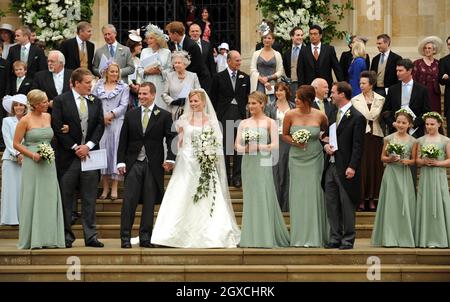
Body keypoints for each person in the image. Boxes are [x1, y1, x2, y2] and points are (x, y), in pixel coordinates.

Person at [151, 89, 240, 248]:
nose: (193, 104)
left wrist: (209, 154)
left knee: (206, 196)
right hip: (186, 161)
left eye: (196, 101)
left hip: (205, 163)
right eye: (191, 101)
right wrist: (172, 158)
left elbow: (217, 143)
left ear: (203, 102)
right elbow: (177, 142)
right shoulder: (183, 120)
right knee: (181, 193)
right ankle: (170, 235)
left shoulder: (212, 121)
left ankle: (212, 234)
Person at [51, 68, 105, 248]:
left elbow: (99, 125)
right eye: (88, 83)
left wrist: (88, 146)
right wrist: (75, 147)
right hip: (68, 158)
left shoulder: (95, 101)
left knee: (90, 198)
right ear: (76, 83)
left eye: (91, 82)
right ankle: (66, 236)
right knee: (66, 198)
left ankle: (91, 236)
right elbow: (57, 127)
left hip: (90, 157)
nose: (91, 85)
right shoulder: (61, 101)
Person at [117, 82, 175, 249]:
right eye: (140, 94)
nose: (141, 97)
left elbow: (171, 138)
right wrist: (120, 161)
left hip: (153, 164)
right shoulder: (131, 115)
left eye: (144, 94)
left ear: (153, 95)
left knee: (149, 203)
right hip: (133, 163)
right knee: (129, 201)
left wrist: (171, 158)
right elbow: (123, 140)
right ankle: (125, 238)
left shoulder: (163, 115)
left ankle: (145, 237)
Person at [236, 91, 289, 248]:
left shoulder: (270, 122)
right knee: (251, 197)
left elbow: (275, 145)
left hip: (263, 161)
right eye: (249, 103)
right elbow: (236, 146)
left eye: (254, 103)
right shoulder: (243, 123)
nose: (251, 106)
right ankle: (250, 236)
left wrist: (258, 146)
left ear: (262, 104)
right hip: (248, 163)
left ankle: (265, 236)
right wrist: (246, 148)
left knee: (263, 195)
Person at [13, 89, 65, 249]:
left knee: (49, 198)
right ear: (35, 105)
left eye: (46, 101)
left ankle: (49, 238)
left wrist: (66, 129)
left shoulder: (48, 116)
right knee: (33, 197)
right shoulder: (25, 120)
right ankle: (33, 239)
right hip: (32, 163)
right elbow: (16, 143)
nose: (46, 104)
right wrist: (31, 155)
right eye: (43, 102)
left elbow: (54, 134)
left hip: (48, 163)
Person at [283, 85, 329, 247]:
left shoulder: (320, 115)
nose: (295, 100)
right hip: (296, 158)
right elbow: (285, 135)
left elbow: (325, 133)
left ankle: (316, 235)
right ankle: (299, 236)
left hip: (315, 158)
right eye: (295, 97)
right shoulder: (289, 115)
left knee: (314, 193)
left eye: (299, 98)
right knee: (298, 194)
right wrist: (295, 142)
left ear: (308, 100)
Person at [323, 82, 366, 249]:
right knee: (331, 203)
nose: (330, 95)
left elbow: (358, 145)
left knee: (347, 204)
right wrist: (325, 146)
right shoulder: (333, 113)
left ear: (342, 94)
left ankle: (348, 239)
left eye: (333, 92)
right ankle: (335, 237)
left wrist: (352, 167)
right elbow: (326, 136)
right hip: (331, 166)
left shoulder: (357, 117)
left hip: (346, 167)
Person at [371, 109, 417, 247]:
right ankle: (388, 237)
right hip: (391, 173)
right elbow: (382, 158)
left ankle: (405, 236)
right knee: (390, 203)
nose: (401, 125)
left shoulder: (413, 141)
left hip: (403, 173)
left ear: (409, 125)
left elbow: (414, 160)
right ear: (395, 123)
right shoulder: (388, 138)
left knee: (404, 202)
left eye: (404, 123)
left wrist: (407, 162)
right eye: (398, 122)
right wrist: (390, 159)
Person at [210, 50, 250, 188]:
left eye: (240, 60)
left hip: (239, 115)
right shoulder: (218, 77)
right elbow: (213, 98)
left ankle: (237, 177)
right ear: (229, 61)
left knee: (239, 146)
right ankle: (226, 176)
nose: (239, 62)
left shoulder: (245, 77)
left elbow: (246, 97)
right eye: (237, 60)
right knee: (227, 146)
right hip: (224, 114)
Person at [92, 62, 129, 201]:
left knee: (115, 152)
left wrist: (111, 114)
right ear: (106, 72)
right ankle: (105, 186)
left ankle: (115, 186)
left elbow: (124, 105)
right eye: (112, 71)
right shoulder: (98, 86)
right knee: (103, 152)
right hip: (101, 124)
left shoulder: (123, 87)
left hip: (117, 122)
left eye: (116, 71)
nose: (114, 74)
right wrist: (101, 118)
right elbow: (93, 102)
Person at [415, 112, 450, 248]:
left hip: (439, 175)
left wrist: (438, 163)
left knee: (440, 201)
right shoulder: (421, 140)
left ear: (439, 124)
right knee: (426, 202)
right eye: (427, 124)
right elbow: (417, 160)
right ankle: (425, 237)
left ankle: (441, 237)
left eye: (432, 124)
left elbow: (449, 159)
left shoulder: (445, 140)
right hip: (426, 175)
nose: (429, 126)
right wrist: (424, 161)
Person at [351, 71, 385, 211]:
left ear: (371, 84)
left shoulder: (381, 99)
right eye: (360, 83)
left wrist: (370, 114)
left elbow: (374, 116)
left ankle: (372, 198)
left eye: (364, 83)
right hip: (362, 136)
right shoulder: (355, 99)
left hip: (376, 136)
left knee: (374, 167)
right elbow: (363, 117)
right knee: (362, 167)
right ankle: (361, 198)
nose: (361, 85)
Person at [382, 59, 431, 138]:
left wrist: (413, 124)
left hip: (415, 131)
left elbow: (427, 112)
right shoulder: (392, 89)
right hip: (396, 130)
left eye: (400, 71)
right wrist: (393, 123)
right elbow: (386, 111)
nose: (397, 73)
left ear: (410, 71)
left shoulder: (422, 89)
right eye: (397, 70)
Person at [265, 82, 295, 211]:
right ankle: (276, 204)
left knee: (288, 171)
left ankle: (287, 204)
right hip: (276, 141)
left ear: (286, 92)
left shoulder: (293, 106)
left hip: (289, 141)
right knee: (276, 172)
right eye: (277, 90)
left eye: (281, 90)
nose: (278, 93)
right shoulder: (270, 107)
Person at [1, 94, 27, 225]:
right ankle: (10, 218)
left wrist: (25, 154)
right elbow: (8, 140)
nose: (18, 107)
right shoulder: (7, 121)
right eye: (16, 105)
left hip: (27, 159)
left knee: (23, 188)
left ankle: (24, 217)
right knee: (11, 189)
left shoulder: (29, 119)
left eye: (21, 104)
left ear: (25, 106)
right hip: (10, 159)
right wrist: (17, 154)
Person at [298, 25, 343, 89]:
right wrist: (301, 88)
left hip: (326, 86)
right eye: (311, 34)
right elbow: (300, 71)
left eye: (315, 34)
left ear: (321, 36)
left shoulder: (329, 49)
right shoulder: (304, 51)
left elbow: (336, 68)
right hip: (309, 87)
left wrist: (342, 85)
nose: (313, 36)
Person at [162, 50, 200, 121]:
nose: (176, 65)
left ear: (185, 64)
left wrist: (189, 100)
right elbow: (164, 94)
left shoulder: (193, 76)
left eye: (179, 63)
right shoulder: (169, 76)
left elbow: (199, 93)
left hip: (189, 110)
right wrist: (173, 101)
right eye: (175, 63)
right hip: (172, 111)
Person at [141, 23, 172, 110]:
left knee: (159, 106)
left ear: (158, 39)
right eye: (148, 39)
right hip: (147, 80)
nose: (149, 41)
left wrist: (160, 72)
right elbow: (139, 68)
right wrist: (146, 71)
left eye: (151, 38)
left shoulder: (166, 52)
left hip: (160, 83)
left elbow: (170, 70)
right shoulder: (144, 51)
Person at [166, 21, 205, 85]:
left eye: (169, 33)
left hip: (195, 81)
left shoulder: (192, 45)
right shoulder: (173, 44)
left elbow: (197, 66)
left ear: (175, 34)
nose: (169, 36)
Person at [250, 31, 284, 103]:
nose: (267, 40)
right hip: (258, 84)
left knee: (272, 105)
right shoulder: (256, 54)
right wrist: (262, 80)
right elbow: (252, 70)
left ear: (273, 40)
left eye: (269, 38)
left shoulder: (277, 54)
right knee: (259, 103)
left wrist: (268, 78)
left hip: (272, 84)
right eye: (265, 38)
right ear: (262, 39)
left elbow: (280, 71)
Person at [413, 36, 443, 114]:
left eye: (429, 48)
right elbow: (413, 79)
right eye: (425, 48)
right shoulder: (417, 63)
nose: (427, 50)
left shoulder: (438, 63)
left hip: (434, 93)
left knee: (434, 114)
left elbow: (441, 78)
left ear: (434, 50)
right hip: (421, 93)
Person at [188, 23, 216, 91]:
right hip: (190, 79)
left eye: (197, 31)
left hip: (205, 79)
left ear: (200, 32)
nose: (195, 33)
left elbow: (211, 63)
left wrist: (214, 79)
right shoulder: (185, 45)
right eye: (192, 31)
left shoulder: (207, 45)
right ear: (189, 32)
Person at [282, 27, 305, 100]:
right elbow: (286, 67)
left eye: (301, 35)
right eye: (298, 35)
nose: (300, 37)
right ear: (292, 36)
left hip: (304, 84)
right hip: (291, 84)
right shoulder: (287, 52)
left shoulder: (307, 50)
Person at [126, 29, 143, 109]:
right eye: (139, 45)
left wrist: (138, 84)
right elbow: (124, 72)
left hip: (136, 90)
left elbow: (140, 73)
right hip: (127, 88)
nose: (141, 47)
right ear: (133, 45)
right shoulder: (125, 58)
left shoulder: (138, 60)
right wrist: (131, 85)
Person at [440, 36, 450, 136]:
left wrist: (448, 78)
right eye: (449, 44)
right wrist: (445, 78)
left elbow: (446, 79)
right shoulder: (443, 60)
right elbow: (441, 80)